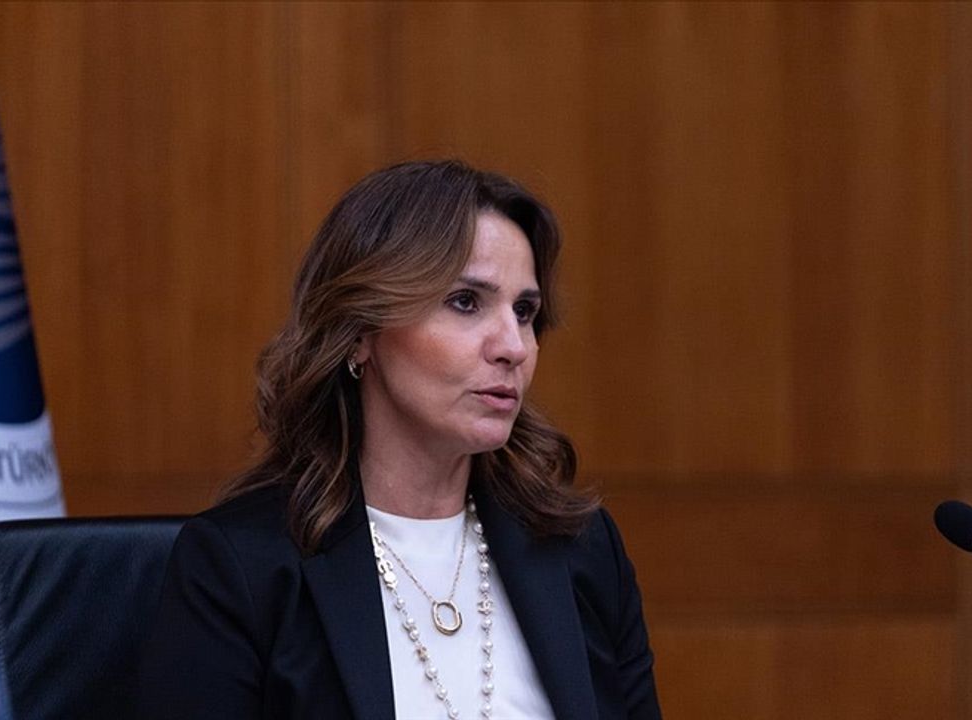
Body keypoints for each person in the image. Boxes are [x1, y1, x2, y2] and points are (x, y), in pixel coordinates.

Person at [136, 160, 661, 719]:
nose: (514, 346)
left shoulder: (580, 549)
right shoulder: (241, 567)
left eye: (525, 311)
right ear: (360, 332)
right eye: (466, 302)